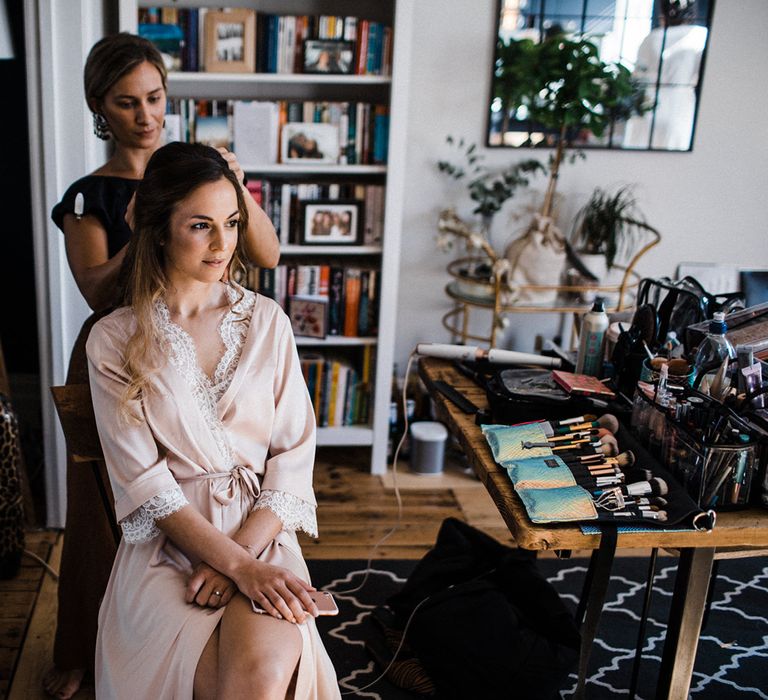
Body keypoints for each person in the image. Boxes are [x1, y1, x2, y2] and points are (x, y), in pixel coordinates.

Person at [47, 33, 280, 699]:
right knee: (102, 516)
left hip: (206, 339)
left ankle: (224, 585)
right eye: (127, 103)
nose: (145, 115)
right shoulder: (89, 197)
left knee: (225, 473)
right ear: (101, 109)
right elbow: (96, 291)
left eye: (154, 98)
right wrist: (151, 222)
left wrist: (225, 186)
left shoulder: (202, 175)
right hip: (128, 353)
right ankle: (86, 649)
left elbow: (266, 255)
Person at [86, 141, 339, 698]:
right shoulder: (114, 339)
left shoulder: (268, 321)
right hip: (168, 544)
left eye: (231, 222)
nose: (224, 243)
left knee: (264, 677)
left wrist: (241, 563)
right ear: (157, 228)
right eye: (201, 225)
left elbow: (293, 458)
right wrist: (236, 568)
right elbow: (145, 482)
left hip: (260, 532)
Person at [622, 0, 707, 150]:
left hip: (649, 109)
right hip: (680, 110)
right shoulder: (701, 36)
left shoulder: (651, 38)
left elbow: (638, 79)